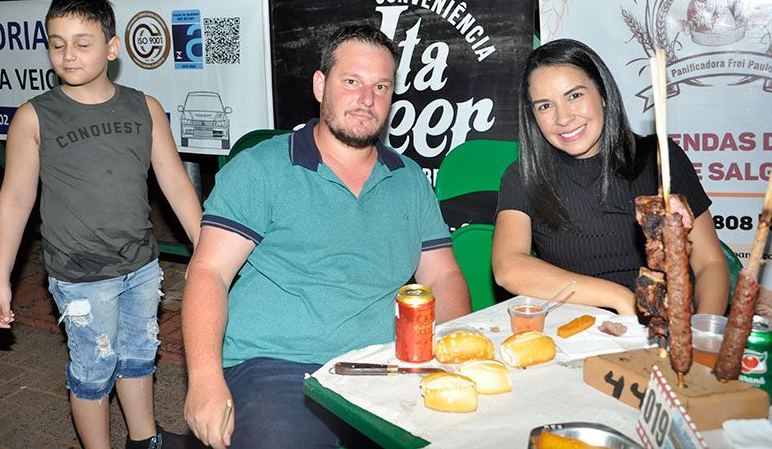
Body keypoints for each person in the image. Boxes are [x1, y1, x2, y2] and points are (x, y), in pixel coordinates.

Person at [182, 25, 471, 448]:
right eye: (351, 82)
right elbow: (209, 271)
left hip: (385, 366)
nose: (367, 99)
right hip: (278, 368)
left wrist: (451, 352)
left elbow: (443, 276)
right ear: (321, 86)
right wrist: (204, 379)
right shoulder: (263, 167)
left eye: (381, 86)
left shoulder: (408, 179)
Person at [0, 0, 202, 449]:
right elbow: (15, 201)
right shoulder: (33, 117)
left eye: (82, 43)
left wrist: (205, 250)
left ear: (112, 47)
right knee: (93, 371)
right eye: (57, 44)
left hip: (141, 266)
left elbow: (175, 183)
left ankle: (144, 440)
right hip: (81, 276)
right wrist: (1, 279)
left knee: (139, 355)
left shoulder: (145, 108)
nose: (68, 55)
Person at [492, 39, 729, 316]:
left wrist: (704, 331)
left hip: (670, 326)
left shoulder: (661, 158)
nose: (563, 118)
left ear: (603, 94)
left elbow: (710, 263)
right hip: (577, 332)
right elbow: (508, 268)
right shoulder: (524, 175)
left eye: (574, 96)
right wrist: (620, 298)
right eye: (545, 106)